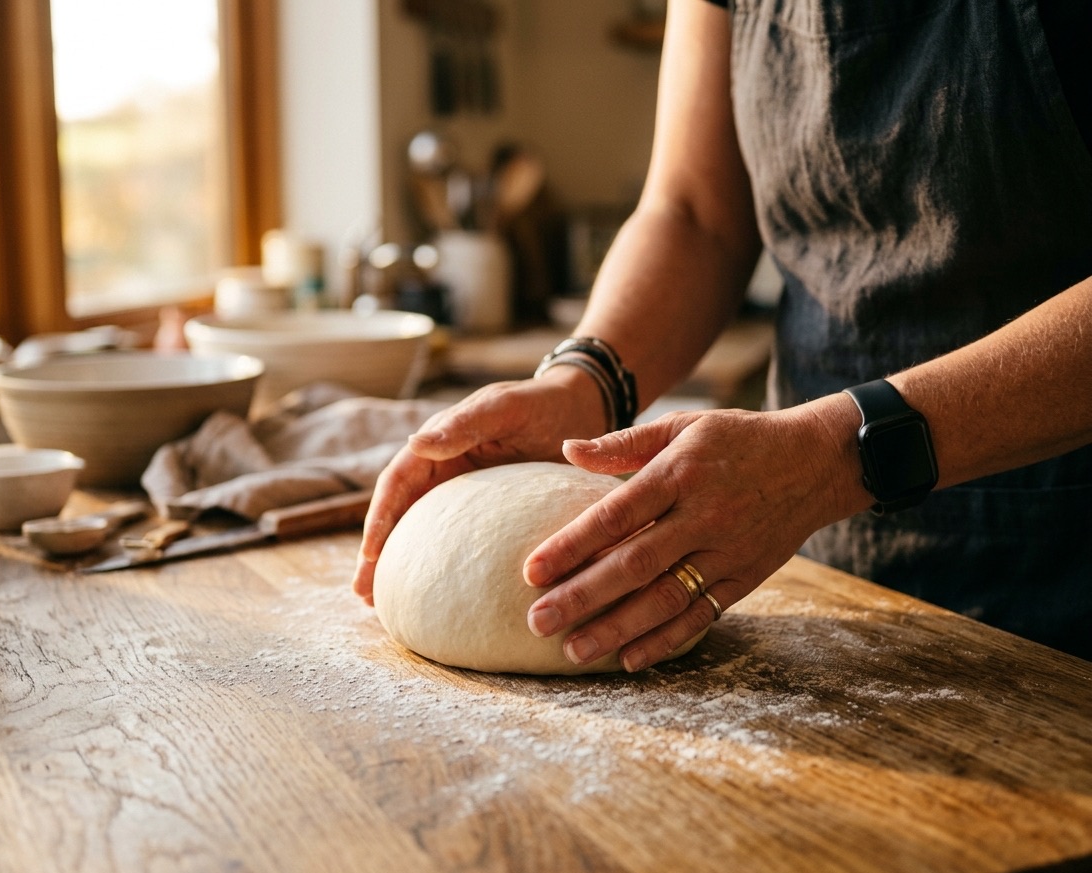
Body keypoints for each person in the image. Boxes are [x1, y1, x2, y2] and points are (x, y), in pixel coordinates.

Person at [354, 0, 1092, 666]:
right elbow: (694, 214)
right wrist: (582, 382)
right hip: (818, 559)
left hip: (1064, 553)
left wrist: (831, 459)